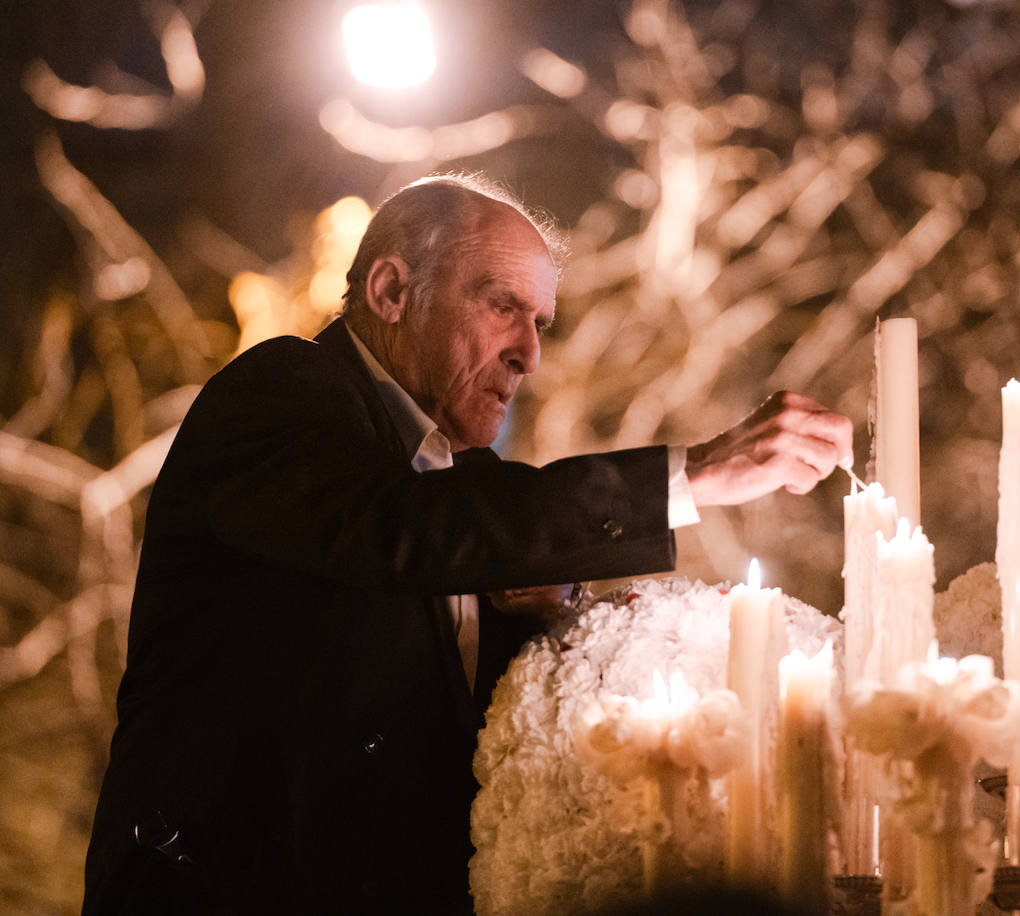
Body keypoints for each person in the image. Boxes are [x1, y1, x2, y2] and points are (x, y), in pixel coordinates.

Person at [82, 174, 853, 914]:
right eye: (502, 307)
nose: (530, 354)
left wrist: (580, 622)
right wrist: (693, 475)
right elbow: (402, 531)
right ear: (390, 292)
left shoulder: (459, 479)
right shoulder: (283, 391)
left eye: (541, 323)